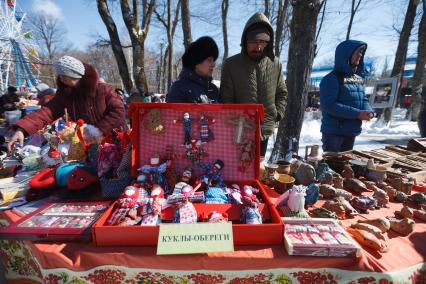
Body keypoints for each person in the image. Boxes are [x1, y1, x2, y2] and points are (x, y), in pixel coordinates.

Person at [7, 55, 126, 151]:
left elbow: (118, 112)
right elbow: (46, 112)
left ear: (74, 75)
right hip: (90, 144)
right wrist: (22, 129)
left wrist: (97, 130)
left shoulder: (103, 90)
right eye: (60, 75)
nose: (61, 79)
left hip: (117, 141)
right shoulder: (65, 94)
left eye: (64, 75)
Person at [220, 12, 287, 158]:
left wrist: (277, 114)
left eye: (262, 42)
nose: (257, 47)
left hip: (265, 129)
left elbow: (281, 93)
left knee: (259, 168)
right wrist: (235, 123)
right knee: (238, 171)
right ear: (245, 41)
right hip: (238, 131)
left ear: (268, 43)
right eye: (253, 42)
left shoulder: (275, 64)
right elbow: (226, 99)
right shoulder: (231, 65)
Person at [320, 40, 374, 152]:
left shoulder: (357, 79)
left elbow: (363, 99)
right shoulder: (330, 79)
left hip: (351, 130)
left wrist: (369, 111)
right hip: (334, 133)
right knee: (331, 167)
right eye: (357, 52)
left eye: (361, 52)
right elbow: (329, 105)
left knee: (345, 166)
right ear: (346, 54)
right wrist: (357, 114)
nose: (360, 55)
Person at [167, 36, 219, 103]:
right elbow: (175, 113)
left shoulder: (213, 89)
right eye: (209, 60)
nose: (213, 64)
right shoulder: (179, 88)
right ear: (196, 62)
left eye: (213, 60)